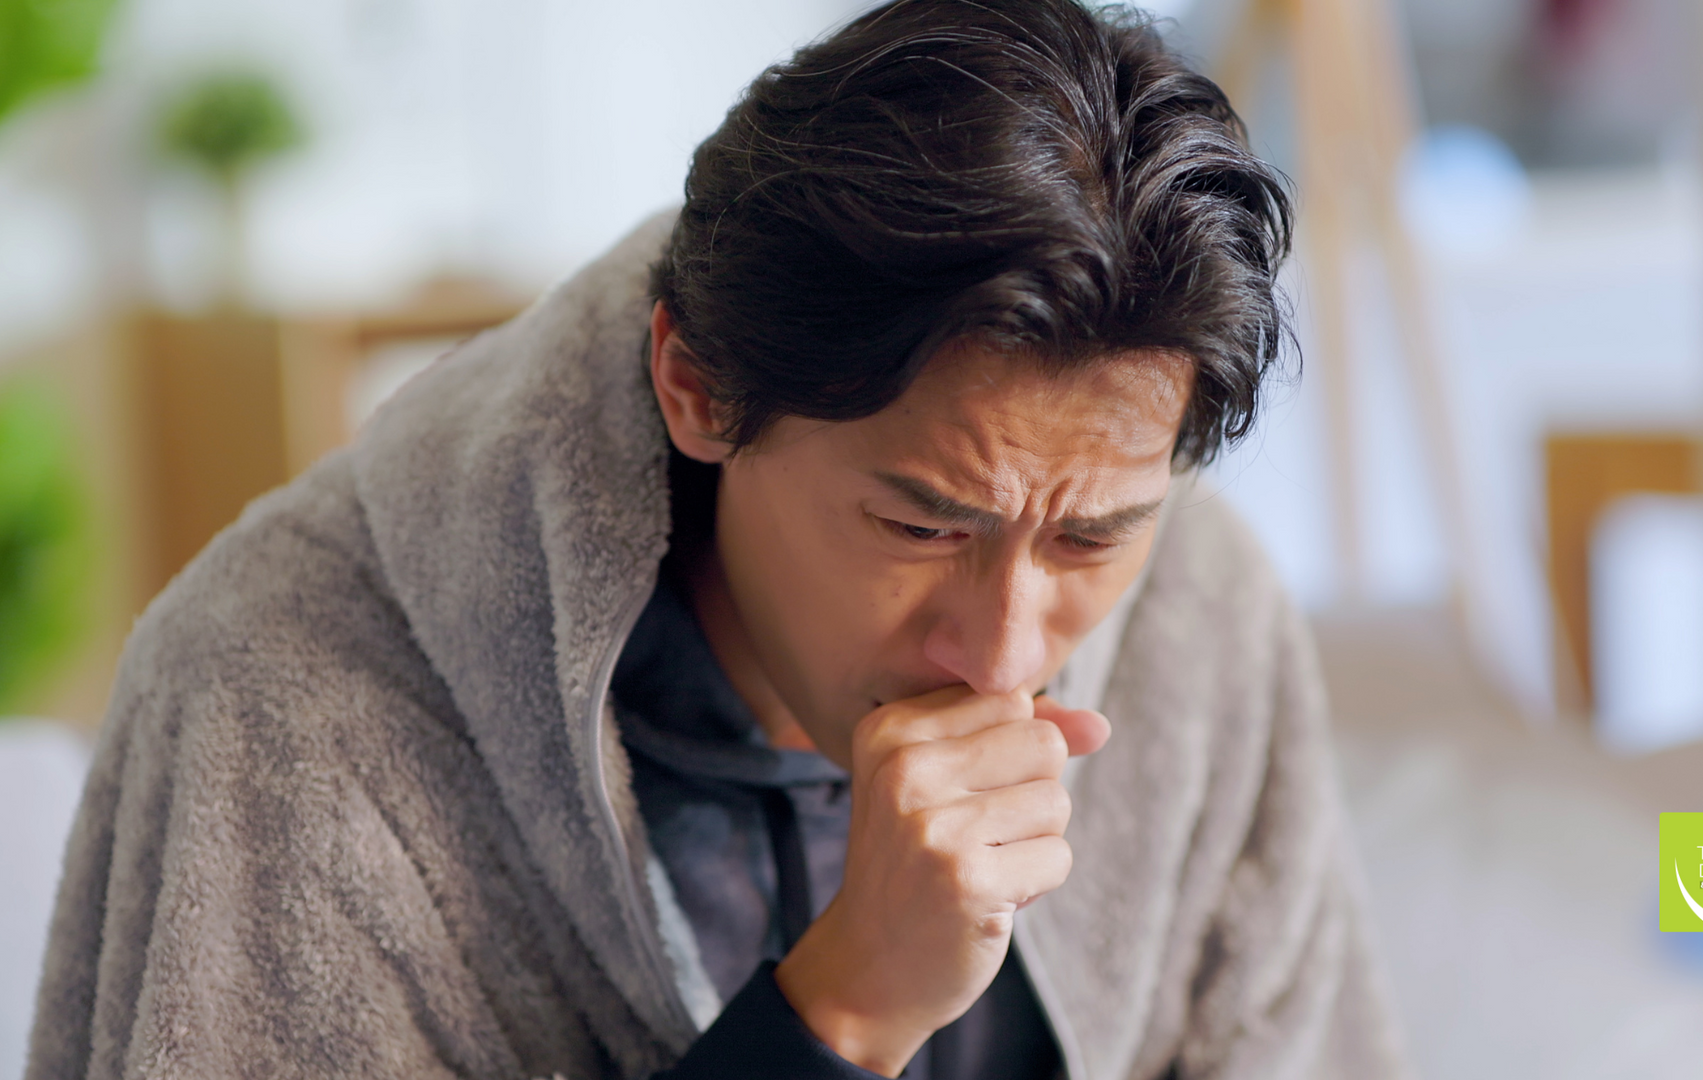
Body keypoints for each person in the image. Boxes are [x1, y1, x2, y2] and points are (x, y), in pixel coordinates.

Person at [29, 2, 1408, 1078]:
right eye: (920, 520)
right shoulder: (289, 697)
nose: (1002, 652)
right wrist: (845, 1011)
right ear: (696, 386)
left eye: (1096, 539)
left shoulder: (1206, 617)